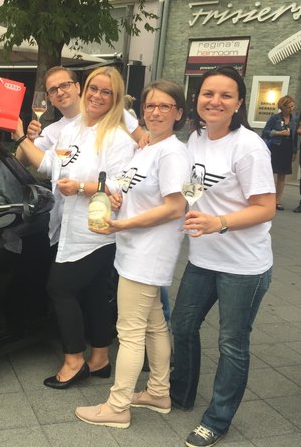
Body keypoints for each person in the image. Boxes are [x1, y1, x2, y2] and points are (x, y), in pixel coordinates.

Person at [169, 66, 276, 447]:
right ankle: (180, 394)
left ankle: (217, 418)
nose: (215, 101)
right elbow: (193, 190)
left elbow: (265, 207)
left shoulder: (248, 146)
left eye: (225, 95)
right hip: (203, 258)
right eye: (207, 93)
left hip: (244, 266)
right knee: (182, 326)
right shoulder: (196, 137)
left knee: (232, 342)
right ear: (196, 99)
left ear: (239, 103)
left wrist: (221, 222)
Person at [13, 66, 138, 389]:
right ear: (86, 89)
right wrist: (18, 137)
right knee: (96, 292)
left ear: (115, 98)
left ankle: (73, 360)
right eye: (94, 89)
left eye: (106, 92)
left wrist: (82, 187)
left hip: (95, 230)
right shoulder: (71, 130)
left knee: (60, 288)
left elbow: (121, 185)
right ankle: (100, 357)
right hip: (69, 225)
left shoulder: (118, 137)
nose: (97, 96)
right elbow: (48, 165)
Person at [75, 79, 189, 429]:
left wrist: (124, 225)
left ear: (178, 113)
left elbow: (176, 206)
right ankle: (158, 391)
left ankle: (118, 405)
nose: (155, 111)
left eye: (164, 106)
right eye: (150, 105)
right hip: (133, 250)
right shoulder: (147, 147)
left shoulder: (171, 152)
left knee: (129, 331)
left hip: (148, 252)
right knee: (154, 325)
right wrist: (117, 198)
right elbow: (131, 189)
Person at [261, 95, 298, 211]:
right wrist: (278, 133)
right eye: (288, 107)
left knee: (282, 176)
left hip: (287, 149)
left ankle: (277, 200)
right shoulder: (275, 118)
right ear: (283, 107)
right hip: (275, 148)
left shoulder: (295, 119)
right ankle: (266, 199)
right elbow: (265, 132)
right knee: (269, 174)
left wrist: (294, 151)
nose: (291, 109)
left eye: (292, 106)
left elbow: (295, 136)